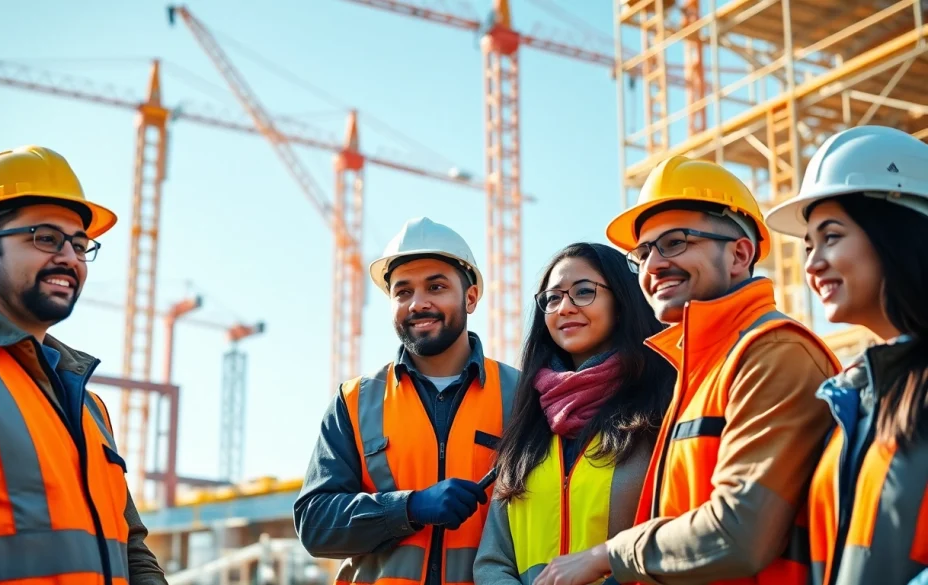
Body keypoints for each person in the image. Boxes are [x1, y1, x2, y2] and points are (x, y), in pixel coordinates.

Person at [532, 155, 841, 585]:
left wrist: (607, 556)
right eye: (643, 252)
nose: (653, 265)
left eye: (675, 242)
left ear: (739, 254)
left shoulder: (774, 352)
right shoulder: (699, 368)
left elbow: (739, 534)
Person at [0, 145, 168, 585]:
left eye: (80, 244)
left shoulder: (88, 405)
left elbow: (130, 548)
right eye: (45, 238)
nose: (70, 257)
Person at [294, 216, 519, 585]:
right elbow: (315, 524)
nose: (417, 303)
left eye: (436, 287)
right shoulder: (355, 402)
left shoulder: (521, 395)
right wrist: (409, 508)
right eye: (403, 292)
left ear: (471, 297)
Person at [764, 125, 928, 585]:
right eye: (808, 245)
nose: (812, 263)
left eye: (831, 236)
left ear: (897, 232)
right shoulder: (857, 399)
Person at [472, 243, 675, 585]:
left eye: (583, 292)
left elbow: (676, 537)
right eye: (553, 298)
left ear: (621, 303)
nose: (564, 307)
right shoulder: (528, 425)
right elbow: (493, 561)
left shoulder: (661, 413)